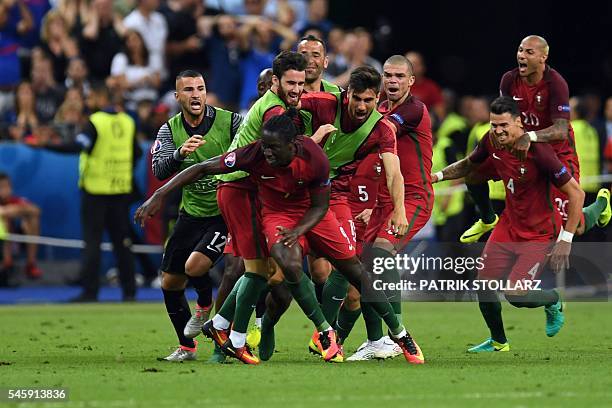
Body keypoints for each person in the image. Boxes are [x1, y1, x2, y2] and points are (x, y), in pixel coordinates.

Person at [135, 110, 423, 366]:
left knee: (353, 269)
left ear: (292, 145)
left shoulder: (314, 157)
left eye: (273, 148)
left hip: (312, 213)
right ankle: (324, 332)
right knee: (286, 263)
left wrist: (300, 230)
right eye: (265, 145)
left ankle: (400, 334)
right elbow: (201, 167)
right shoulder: (255, 153)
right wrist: (159, 195)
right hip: (277, 215)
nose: (267, 153)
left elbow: (320, 205)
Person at [270, 65, 414, 362]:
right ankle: (244, 327)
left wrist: (399, 210)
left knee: (350, 270)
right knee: (270, 272)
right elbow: (279, 114)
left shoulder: (382, 128)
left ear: (378, 99)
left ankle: (353, 336)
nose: (361, 106)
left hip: (332, 196)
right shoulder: (322, 103)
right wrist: (309, 140)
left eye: (369, 100)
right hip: (291, 188)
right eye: (357, 98)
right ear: (346, 94)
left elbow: (394, 172)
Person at [432, 96, 586, 351]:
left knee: (516, 295)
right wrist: (435, 176)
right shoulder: (491, 141)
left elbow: (576, 193)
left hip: (539, 233)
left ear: (519, 122)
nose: (498, 131)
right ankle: (498, 341)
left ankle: (554, 300)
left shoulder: (540, 151)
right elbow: (469, 165)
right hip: (509, 226)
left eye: (504, 125)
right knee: (483, 285)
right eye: (494, 125)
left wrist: (565, 240)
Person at [461, 35, 611, 243]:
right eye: (520, 50)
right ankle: (487, 219)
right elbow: (506, 113)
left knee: (573, 225)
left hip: (557, 153)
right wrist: (499, 134)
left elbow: (560, 130)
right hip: (524, 149)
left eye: (529, 52)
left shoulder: (556, 83)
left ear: (543, 57)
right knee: (474, 174)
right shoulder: (509, 79)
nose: (521, 55)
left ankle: (602, 204)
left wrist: (529, 136)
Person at [333, 55, 434, 360]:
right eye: (388, 75)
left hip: (413, 198)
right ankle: (371, 341)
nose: (392, 80)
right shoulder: (382, 109)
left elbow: (376, 131)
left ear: (410, 81)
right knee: (360, 274)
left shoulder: (412, 110)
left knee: (377, 257)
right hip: (383, 201)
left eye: (399, 76)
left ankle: (392, 335)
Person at [148, 70, 242, 361]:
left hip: (224, 212)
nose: (195, 94)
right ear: (177, 96)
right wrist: (179, 155)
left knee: (195, 266)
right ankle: (187, 347)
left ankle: (204, 305)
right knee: (170, 283)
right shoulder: (169, 129)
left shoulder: (230, 122)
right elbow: (158, 170)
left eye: (200, 88)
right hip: (191, 213)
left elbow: (250, 151)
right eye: (188, 90)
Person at [45, 84, 140, 302]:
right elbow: (137, 152)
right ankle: (130, 291)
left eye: (91, 97)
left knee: (92, 243)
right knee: (123, 243)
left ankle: (90, 291)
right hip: (120, 189)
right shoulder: (128, 122)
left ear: (99, 97)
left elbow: (78, 147)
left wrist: (46, 145)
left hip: (96, 191)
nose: (88, 101)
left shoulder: (95, 122)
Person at [0, 172, 42, 279]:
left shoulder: (16, 200)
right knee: (4, 221)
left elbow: (35, 210)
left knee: (31, 219)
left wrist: (6, 210)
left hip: (16, 240)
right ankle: (6, 264)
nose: (5, 190)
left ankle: (30, 265)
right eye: (1, 187)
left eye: (7, 186)